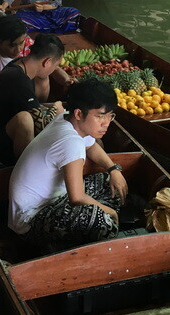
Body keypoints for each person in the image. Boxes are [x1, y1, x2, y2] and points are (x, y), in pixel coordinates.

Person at [9, 79, 127, 246]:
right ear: (79, 114)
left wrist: (113, 169)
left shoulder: (66, 120)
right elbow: (77, 198)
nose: (106, 123)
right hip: (31, 219)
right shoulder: (71, 142)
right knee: (100, 222)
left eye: (110, 115)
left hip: (54, 200)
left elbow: (91, 145)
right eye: (100, 116)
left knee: (110, 182)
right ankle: (55, 250)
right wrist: (111, 213)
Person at [0, 34, 65, 165]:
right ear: (47, 62)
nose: (53, 70)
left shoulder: (18, 64)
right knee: (25, 119)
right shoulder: (18, 81)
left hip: (3, 131)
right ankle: (24, 167)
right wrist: (56, 107)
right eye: (55, 66)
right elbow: (41, 126)